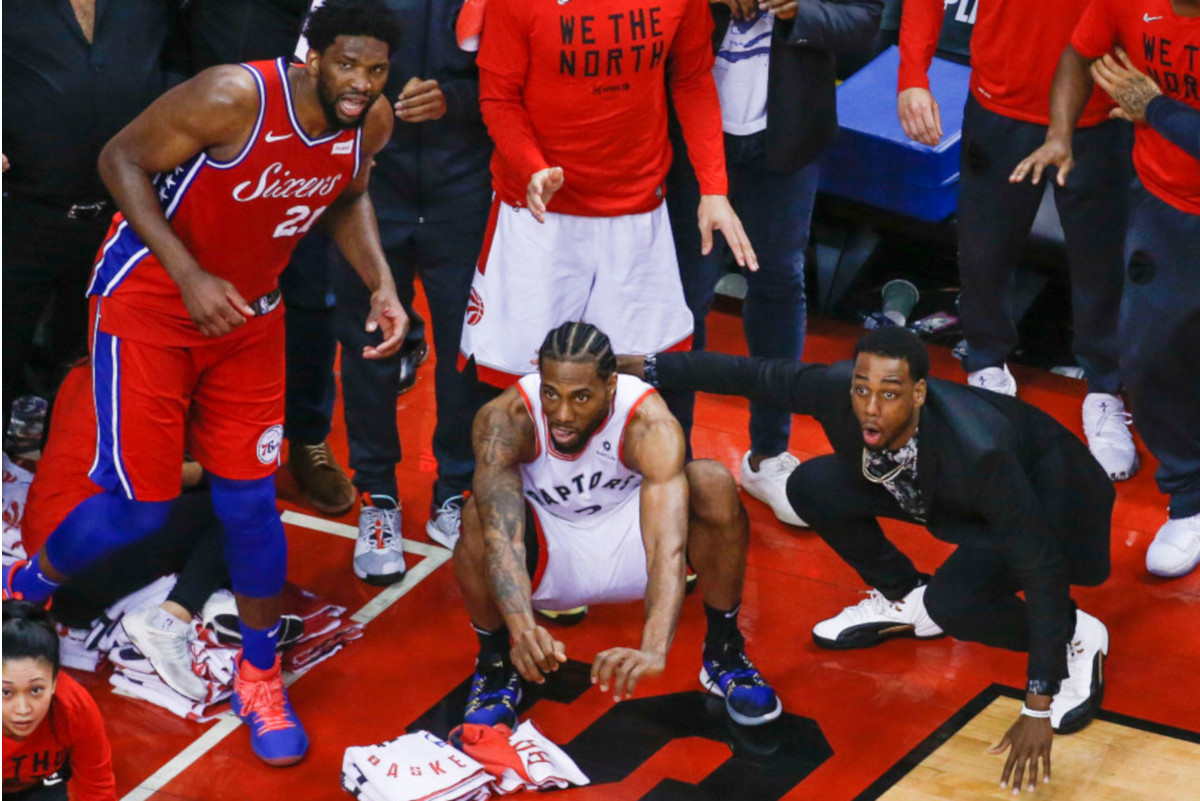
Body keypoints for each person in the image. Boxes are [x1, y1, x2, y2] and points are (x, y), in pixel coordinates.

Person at [4, 0, 407, 767]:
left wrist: (381, 283)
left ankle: (259, 674)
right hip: (153, 305)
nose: (361, 83)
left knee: (251, 505)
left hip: (249, 318)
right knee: (140, 505)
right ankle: (26, 581)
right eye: (348, 64)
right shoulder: (233, 96)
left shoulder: (370, 122)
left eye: (377, 69)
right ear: (312, 57)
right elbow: (119, 158)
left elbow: (347, 197)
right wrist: (186, 273)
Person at [620, 327, 1112, 792]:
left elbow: (1041, 569)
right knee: (812, 487)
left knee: (956, 605)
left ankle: (1075, 636)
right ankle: (906, 595)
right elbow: (750, 375)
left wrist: (1037, 706)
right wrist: (644, 367)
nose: (870, 409)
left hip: (1052, 503)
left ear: (919, 393)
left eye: (890, 394)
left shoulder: (981, 454)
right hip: (939, 493)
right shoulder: (843, 394)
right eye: (862, 390)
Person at [454, 322, 780, 729]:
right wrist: (522, 630)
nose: (562, 414)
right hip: (548, 552)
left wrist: (654, 649)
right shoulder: (505, 420)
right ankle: (496, 666)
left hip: (632, 542)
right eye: (551, 393)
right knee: (475, 516)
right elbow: (502, 540)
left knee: (712, 481)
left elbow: (667, 548)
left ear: (611, 386)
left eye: (581, 397)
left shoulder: (648, 422)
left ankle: (724, 652)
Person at [456, 0, 757, 408]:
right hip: (538, 212)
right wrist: (532, 168)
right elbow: (498, 98)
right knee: (516, 393)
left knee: (637, 385)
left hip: (637, 211)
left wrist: (714, 187)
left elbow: (692, 80)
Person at [897, 0, 1138, 483]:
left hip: (1102, 115)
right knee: (985, 251)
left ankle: (1105, 390)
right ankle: (986, 364)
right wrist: (912, 76)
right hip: (999, 101)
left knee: (1103, 265)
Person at [666, 0, 883, 527]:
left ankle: (767, 455)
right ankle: (671, 462)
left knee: (780, 285)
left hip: (783, 143)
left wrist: (800, 9)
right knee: (682, 299)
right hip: (685, 132)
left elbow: (866, 23)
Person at [1012, 0, 1200, 578]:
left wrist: (1157, 109)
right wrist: (1060, 134)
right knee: (1146, 358)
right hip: (1161, 204)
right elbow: (1078, 52)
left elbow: (1154, 107)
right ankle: (1190, 500)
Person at [334, 0, 497, 582]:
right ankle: (377, 498)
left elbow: (528, 80)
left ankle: (455, 489)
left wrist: (456, 100)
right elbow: (317, 69)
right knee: (370, 347)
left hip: (468, 189)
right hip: (369, 188)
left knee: (466, 349)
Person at [2, 1, 180, 437]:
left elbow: (183, 65)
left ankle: (66, 486)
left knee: (85, 373)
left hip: (120, 222)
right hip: (17, 215)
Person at [19, 361, 229, 702]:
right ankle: (172, 617)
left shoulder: (79, 369)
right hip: (79, 578)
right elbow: (155, 480)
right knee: (241, 503)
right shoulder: (156, 382)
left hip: (40, 557)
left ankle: (213, 600)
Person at [3, 599, 116, 801]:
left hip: (39, 787)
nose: (23, 709)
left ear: (55, 681)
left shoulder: (74, 707)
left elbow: (97, 789)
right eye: (6, 692)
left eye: (36, 690)